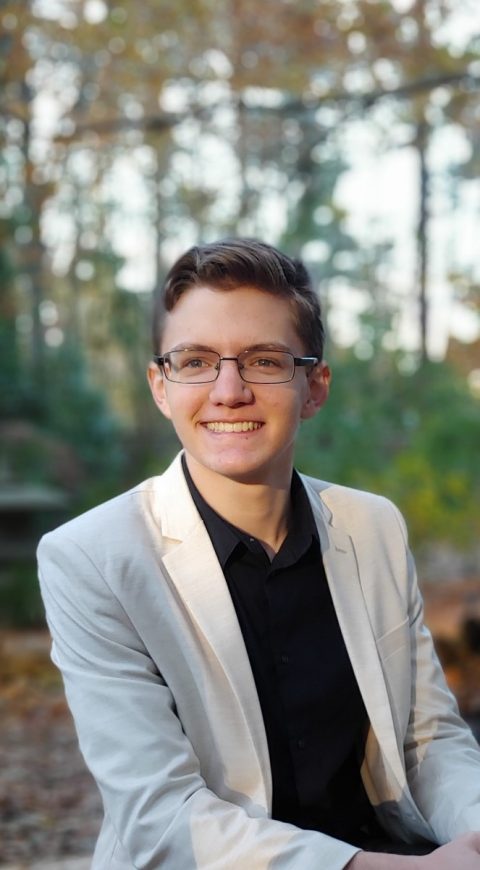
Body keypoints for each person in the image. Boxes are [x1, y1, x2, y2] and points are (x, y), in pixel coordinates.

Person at [38, 238, 480, 870]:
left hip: (386, 846)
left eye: (264, 361)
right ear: (161, 386)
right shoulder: (91, 558)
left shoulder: (373, 527)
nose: (228, 390)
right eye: (195, 361)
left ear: (314, 387)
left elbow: (427, 739)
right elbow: (162, 818)